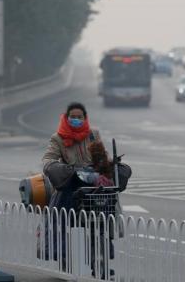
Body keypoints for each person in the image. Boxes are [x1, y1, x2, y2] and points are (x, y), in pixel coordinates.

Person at [41, 102, 131, 275]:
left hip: (93, 185)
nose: (76, 120)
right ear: (66, 118)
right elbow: (48, 158)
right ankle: (61, 254)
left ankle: (102, 260)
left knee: (106, 216)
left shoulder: (92, 135)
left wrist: (109, 166)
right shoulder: (58, 138)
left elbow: (101, 157)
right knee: (58, 214)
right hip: (70, 182)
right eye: (72, 117)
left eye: (79, 117)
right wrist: (56, 167)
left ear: (85, 118)